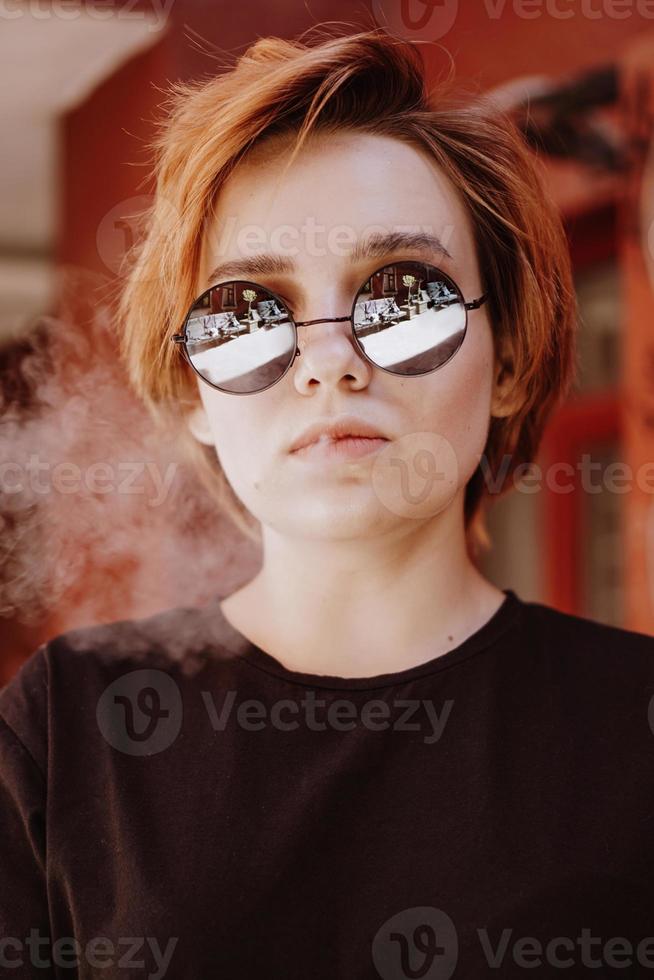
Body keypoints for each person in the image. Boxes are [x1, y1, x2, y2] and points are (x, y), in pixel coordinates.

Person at [2, 26, 654, 980]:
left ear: (510, 357)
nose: (329, 361)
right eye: (245, 315)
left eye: (403, 296)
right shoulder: (65, 729)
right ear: (195, 398)